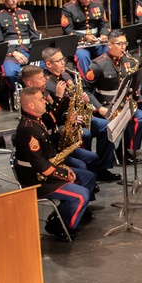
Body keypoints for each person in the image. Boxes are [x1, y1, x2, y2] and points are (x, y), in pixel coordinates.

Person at [14, 87, 95, 241]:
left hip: (47, 170)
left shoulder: (37, 120)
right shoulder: (28, 130)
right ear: (30, 105)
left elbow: (50, 150)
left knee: (88, 177)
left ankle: (69, 212)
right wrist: (65, 174)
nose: (45, 101)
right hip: (38, 180)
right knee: (81, 196)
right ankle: (60, 226)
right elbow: (41, 167)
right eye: (40, 99)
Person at [85, 30, 142, 159]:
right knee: (139, 117)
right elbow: (86, 90)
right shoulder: (98, 64)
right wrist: (99, 108)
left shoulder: (130, 60)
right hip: (110, 105)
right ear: (109, 45)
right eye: (119, 44)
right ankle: (125, 151)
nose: (123, 47)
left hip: (130, 100)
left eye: (124, 43)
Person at [42, 47, 118, 182]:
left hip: (78, 118)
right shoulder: (46, 85)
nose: (63, 63)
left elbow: (75, 99)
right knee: (85, 134)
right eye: (59, 61)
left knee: (107, 126)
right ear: (48, 64)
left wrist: (82, 100)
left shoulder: (66, 76)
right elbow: (50, 115)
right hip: (62, 125)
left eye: (63, 59)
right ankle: (88, 174)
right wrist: (61, 101)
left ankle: (102, 168)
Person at [0, 0, 41, 94]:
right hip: (9, 54)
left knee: (47, 66)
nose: (13, 0)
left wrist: (34, 52)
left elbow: (34, 36)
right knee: (10, 73)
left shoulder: (26, 13)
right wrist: (13, 52)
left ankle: (40, 94)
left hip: (28, 51)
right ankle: (21, 95)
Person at [61, 0, 110, 76]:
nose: (88, 0)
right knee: (82, 56)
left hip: (97, 42)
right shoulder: (68, 8)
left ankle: (107, 79)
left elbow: (104, 24)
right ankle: (87, 83)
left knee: (111, 49)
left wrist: (104, 33)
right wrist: (84, 37)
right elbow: (68, 30)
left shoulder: (97, 4)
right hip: (79, 44)